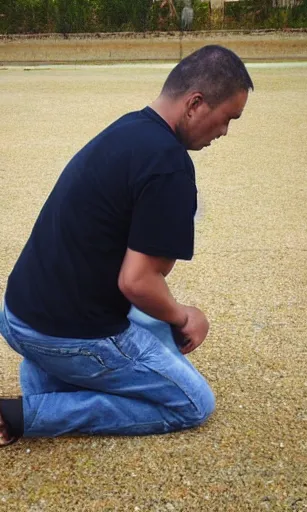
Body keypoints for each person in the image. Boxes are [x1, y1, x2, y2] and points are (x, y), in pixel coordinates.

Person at [0, 45, 254, 446]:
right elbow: (137, 282)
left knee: (157, 328)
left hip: (15, 313)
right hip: (59, 334)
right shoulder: (170, 167)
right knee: (193, 402)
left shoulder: (127, 129)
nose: (224, 132)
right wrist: (185, 315)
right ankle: (22, 414)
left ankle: (50, 381)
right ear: (196, 104)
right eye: (227, 119)